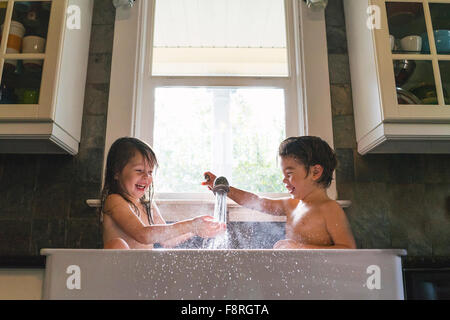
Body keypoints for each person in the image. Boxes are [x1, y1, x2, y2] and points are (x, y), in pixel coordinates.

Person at [202, 136, 356, 249]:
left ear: (315, 172)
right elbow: (257, 202)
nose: (284, 181)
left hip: (320, 283)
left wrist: (299, 248)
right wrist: (225, 190)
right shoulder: (292, 204)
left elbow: (348, 250)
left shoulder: (329, 209)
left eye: (289, 174)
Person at [100, 137, 226, 249]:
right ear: (116, 172)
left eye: (150, 172)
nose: (146, 177)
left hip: (140, 273)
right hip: (118, 272)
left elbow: (167, 240)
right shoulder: (114, 200)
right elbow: (143, 235)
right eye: (139, 170)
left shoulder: (147, 204)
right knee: (117, 244)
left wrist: (197, 229)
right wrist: (191, 225)